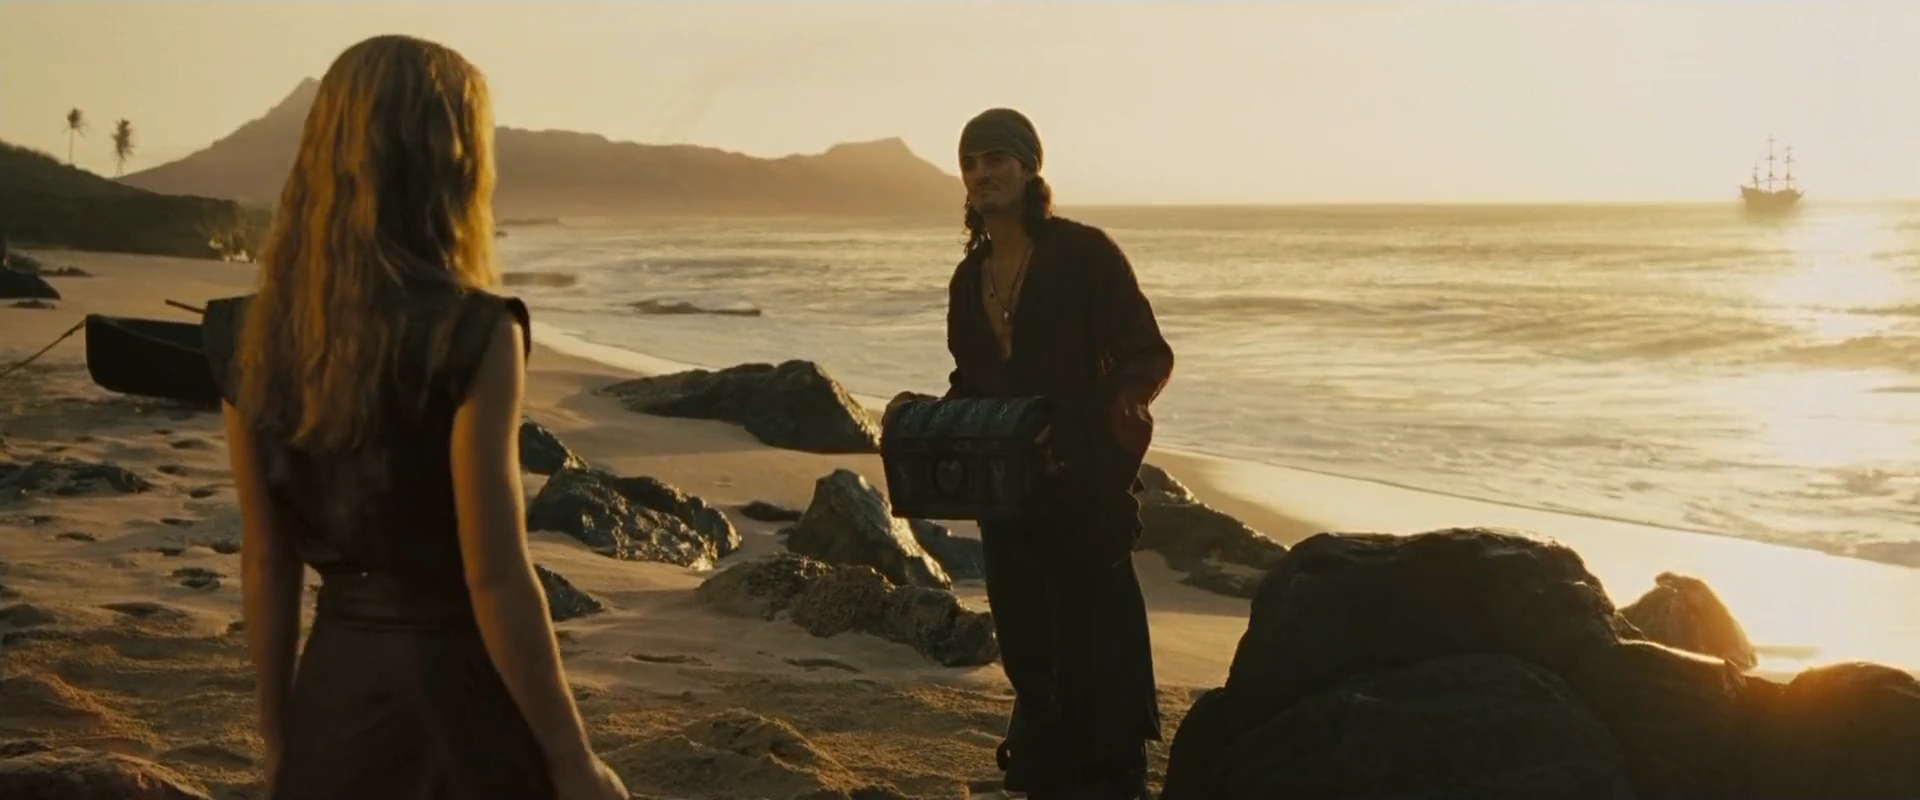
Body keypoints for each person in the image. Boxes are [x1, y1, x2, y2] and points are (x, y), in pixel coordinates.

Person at [201, 35, 627, 800]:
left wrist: (281, 743)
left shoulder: (248, 334)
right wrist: (572, 758)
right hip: (458, 699)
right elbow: (494, 576)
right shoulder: (476, 333)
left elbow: (266, 561)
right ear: (452, 163)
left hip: (333, 692)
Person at [908, 108, 1175, 799]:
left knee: (1097, 651)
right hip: (1007, 498)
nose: (981, 173)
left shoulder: (1084, 255)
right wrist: (939, 427)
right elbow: (971, 380)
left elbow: (1146, 355)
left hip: (1083, 491)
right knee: (1031, 655)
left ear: (1030, 168)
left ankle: (1113, 783)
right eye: (970, 163)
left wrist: (1095, 425)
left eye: (996, 158)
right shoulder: (968, 280)